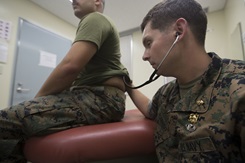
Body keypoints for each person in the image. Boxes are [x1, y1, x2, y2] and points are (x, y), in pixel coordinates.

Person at [0, 0, 130, 162]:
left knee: (4, 120)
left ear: (97, 1)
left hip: (99, 99)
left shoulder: (95, 19)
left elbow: (69, 67)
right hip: (101, 99)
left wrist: (37, 100)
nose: (73, 0)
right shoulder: (98, 26)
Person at [126, 0, 245, 162]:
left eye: (149, 43)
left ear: (179, 31)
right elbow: (149, 109)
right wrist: (127, 86)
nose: (144, 56)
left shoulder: (238, 88)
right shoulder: (166, 94)